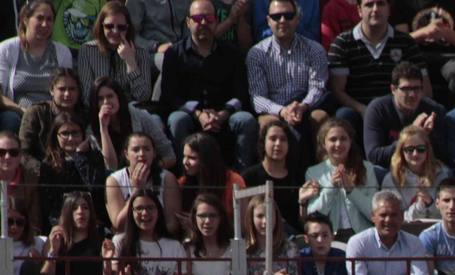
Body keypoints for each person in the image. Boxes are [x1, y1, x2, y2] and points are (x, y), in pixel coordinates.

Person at [160, 0, 258, 169]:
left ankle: (241, 177)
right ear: (188, 22)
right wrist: (198, 114)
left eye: (209, 18)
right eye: (198, 18)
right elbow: (171, 95)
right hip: (190, 116)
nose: (204, 23)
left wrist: (223, 114)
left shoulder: (232, 54)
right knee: (177, 120)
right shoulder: (174, 54)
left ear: (216, 21)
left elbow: (241, 94)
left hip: (224, 116)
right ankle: (184, 175)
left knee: (245, 120)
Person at [326, 0, 429, 132]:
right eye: (369, 5)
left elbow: (425, 88)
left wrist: (402, 108)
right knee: (344, 115)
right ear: (359, 10)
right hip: (358, 110)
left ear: (389, 9)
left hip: (398, 110)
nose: (375, 9)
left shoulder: (406, 42)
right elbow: (337, 90)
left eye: (380, 4)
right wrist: (364, 110)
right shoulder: (342, 43)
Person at [246, 0, 331, 147]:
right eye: (276, 17)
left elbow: (318, 88)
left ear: (297, 19)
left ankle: (322, 161)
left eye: (288, 16)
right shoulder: (256, 54)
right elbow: (257, 98)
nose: (282, 20)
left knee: (320, 117)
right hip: (274, 111)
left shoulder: (315, 50)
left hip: (306, 108)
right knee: (269, 123)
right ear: (268, 21)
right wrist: (282, 111)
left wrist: (302, 106)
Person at [0, 1, 75, 136]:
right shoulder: (6, 49)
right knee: (10, 120)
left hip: (52, 114)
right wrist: (24, 111)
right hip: (18, 113)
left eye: (49, 19)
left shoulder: (62, 52)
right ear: (25, 19)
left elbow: (68, 90)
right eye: (40, 18)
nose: (45, 24)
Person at [300, 117, 380, 238]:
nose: (338, 144)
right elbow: (314, 216)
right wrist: (331, 187)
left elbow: (374, 213)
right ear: (323, 143)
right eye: (333, 139)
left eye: (343, 139)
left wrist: (351, 190)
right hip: (329, 239)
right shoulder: (314, 172)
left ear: (350, 141)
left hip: (362, 236)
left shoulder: (367, 168)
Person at [363, 61, 453, 168]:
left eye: (416, 88)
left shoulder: (434, 110)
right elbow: (374, 156)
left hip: (424, 170)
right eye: (406, 89)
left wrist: (427, 136)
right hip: (389, 169)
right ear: (393, 89)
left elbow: (444, 156)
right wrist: (411, 135)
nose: (412, 94)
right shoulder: (378, 109)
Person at [88, 76, 176, 173]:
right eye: (100, 99)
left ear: (118, 97)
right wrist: (103, 128)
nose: (106, 102)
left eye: (110, 96)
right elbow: (111, 167)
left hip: (149, 174)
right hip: (117, 179)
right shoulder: (93, 129)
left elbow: (170, 156)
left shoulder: (140, 117)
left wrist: (149, 169)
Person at [344, 190, 431, 275]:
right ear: (373, 216)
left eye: (394, 215)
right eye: (383, 215)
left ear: (402, 217)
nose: (388, 220)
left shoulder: (414, 243)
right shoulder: (358, 243)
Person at [104, 130, 182, 235]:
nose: (141, 154)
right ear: (126, 154)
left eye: (147, 149)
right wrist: (136, 190)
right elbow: (119, 225)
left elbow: (173, 224)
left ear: (154, 153)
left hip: (160, 237)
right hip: (128, 238)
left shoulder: (167, 178)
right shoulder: (114, 181)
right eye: (136, 150)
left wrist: (150, 237)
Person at [104, 187, 187, 275]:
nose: (145, 213)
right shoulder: (120, 241)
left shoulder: (175, 246)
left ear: (158, 211)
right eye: (139, 208)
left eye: (150, 208)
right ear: (131, 212)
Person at [77, 1, 153, 106]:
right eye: (109, 26)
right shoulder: (87, 50)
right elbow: (87, 95)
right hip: (99, 109)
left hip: (130, 109)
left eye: (121, 27)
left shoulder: (141, 53)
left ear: (128, 28)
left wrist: (131, 62)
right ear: (101, 26)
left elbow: (143, 96)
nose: (115, 31)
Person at [242, 118, 306, 233]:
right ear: (263, 143)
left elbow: (302, 222)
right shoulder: (249, 177)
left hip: (292, 237)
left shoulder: (297, 176)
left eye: (283, 139)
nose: (278, 144)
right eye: (273, 139)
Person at [380, 123, 450, 221]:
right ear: (401, 151)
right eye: (410, 149)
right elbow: (392, 217)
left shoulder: (441, 174)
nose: (415, 154)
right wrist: (419, 207)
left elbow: (448, 213)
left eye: (421, 149)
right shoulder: (392, 179)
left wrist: (430, 202)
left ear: (428, 150)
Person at [40, 189, 108, 275]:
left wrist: (107, 261)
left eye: (85, 207)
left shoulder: (99, 241)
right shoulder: (56, 238)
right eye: (74, 208)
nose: (80, 211)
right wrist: (53, 251)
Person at [18, 67, 84, 160]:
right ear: (52, 90)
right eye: (62, 89)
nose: (67, 94)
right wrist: (41, 168)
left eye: (72, 89)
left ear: (78, 91)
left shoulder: (85, 114)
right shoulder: (36, 113)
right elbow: (23, 152)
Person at [178, 131, 245, 221]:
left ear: (207, 159)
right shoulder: (182, 183)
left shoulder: (233, 181)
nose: (185, 162)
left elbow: (242, 222)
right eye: (184, 156)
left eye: (192, 158)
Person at [243, 194, 298, 275]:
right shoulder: (243, 251)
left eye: (269, 215)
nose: (265, 221)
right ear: (251, 218)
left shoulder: (290, 248)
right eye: (260, 216)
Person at [183, 191, 232, 275]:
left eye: (213, 216)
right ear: (194, 218)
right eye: (202, 216)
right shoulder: (187, 248)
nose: (207, 221)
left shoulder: (233, 248)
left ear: (221, 218)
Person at [297, 211, 350, 275]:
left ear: (332, 237)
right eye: (314, 236)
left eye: (325, 235)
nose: (320, 240)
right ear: (306, 239)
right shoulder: (298, 259)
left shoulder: (343, 258)